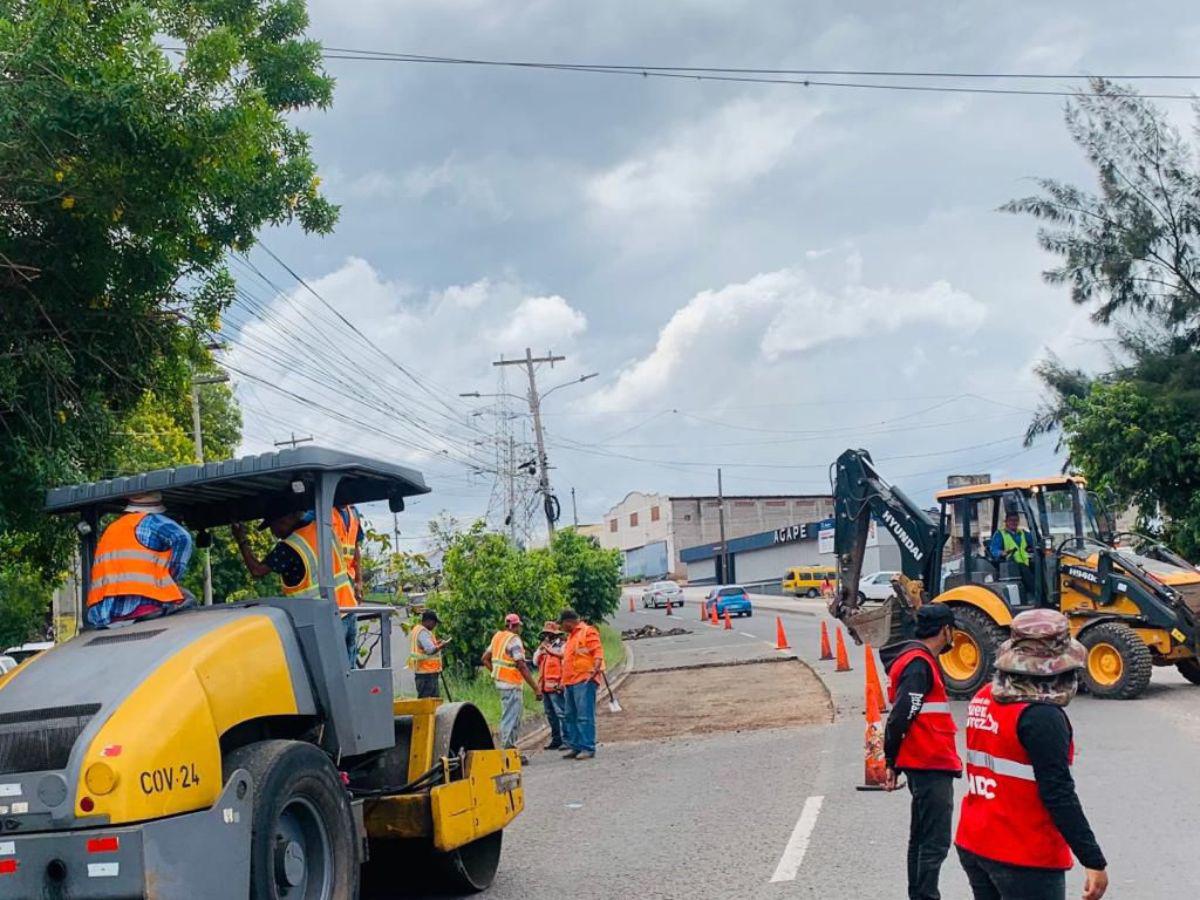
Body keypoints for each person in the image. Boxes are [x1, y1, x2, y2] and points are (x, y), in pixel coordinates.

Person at [955, 609, 1108, 900]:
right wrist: (1092, 859)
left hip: (976, 840)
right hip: (1023, 855)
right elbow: (1058, 792)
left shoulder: (985, 696)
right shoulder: (1041, 717)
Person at [879, 604, 962, 900]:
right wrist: (890, 760)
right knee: (934, 842)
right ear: (945, 630)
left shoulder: (916, 660)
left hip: (923, 761)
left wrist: (895, 760)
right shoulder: (919, 665)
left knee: (921, 838)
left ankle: (919, 895)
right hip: (930, 763)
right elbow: (902, 714)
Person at [232, 507, 358, 663]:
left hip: (325, 622)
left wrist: (241, 541)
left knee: (323, 679)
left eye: (273, 527)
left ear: (285, 520)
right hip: (348, 610)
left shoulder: (289, 547)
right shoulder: (322, 529)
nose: (273, 533)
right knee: (349, 677)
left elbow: (257, 571)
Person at [87, 492, 195, 628]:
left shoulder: (112, 528)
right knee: (189, 600)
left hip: (106, 613)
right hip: (144, 606)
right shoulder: (151, 521)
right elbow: (182, 537)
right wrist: (173, 573)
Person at [481, 613, 541, 758]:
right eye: (519, 626)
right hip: (511, 684)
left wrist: (496, 672)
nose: (520, 629)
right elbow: (521, 665)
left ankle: (510, 749)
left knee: (508, 715)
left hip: (501, 684)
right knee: (511, 718)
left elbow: (485, 658)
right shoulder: (514, 641)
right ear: (515, 626)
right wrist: (536, 688)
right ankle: (508, 752)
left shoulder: (497, 637)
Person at [559, 608, 605, 761]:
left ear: (568, 622)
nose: (561, 627)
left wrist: (596, 668)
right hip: (570, 682)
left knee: (584, 716)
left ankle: (587, 747)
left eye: (562, 624)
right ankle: (576, 746)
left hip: (584, 680)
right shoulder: (571, 637)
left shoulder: (587, 632)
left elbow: (597, 652)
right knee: (570, 716)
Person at [533, 621, 567, 751]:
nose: (547, 636)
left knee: (561, 713)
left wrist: (562, 683)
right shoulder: (543, 648)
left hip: (556, 686)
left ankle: (566, 739)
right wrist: (541, 650)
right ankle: (556, 739)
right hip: (544, 687)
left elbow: (565, 665)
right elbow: (536, 662)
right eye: (545, 634)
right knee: (550, 714)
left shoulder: (561, 647)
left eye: (549, 634)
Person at [990, 510, 1036, 599]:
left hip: (1026, 563)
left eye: (1016, 520)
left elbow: (1034, 542)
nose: (1013, 522)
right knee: (1024, 569)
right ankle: (1035, 594)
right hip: (1010, 565)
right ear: (1006, 522)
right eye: (1011, 520)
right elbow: (994, 549)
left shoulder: (1023, 533)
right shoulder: (1000, 534)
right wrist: (1001, 553)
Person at [407, 609, 446, 699]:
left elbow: (424, 648)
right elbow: (430, 650)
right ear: (428, 621)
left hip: (424, 673)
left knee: (426, 703)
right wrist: (441, 646)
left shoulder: (417, 630)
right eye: (434, 623)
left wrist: (437, 643)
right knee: (429, 703)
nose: (435, 625)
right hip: (427, 675)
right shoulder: (423, 632)